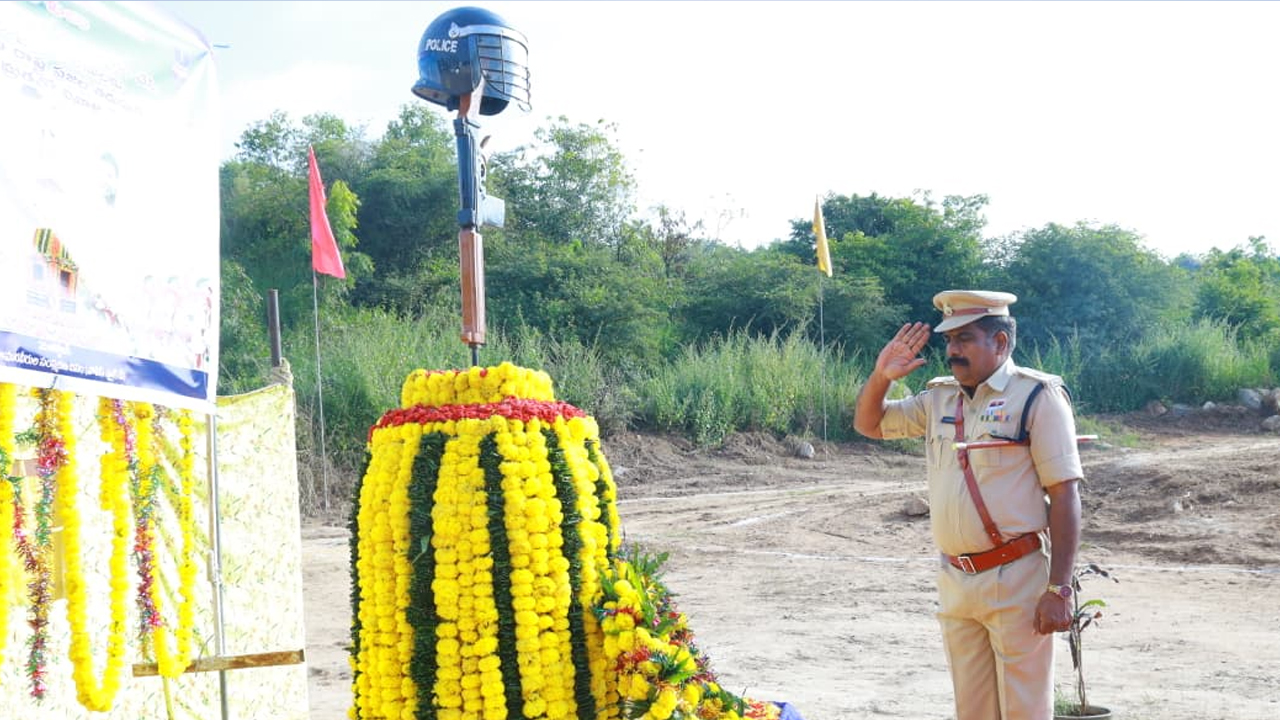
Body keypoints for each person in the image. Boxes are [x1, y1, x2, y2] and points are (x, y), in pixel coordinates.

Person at [853, 290, 1083, 720]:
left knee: (1025, 711)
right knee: (972, 710)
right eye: (948, 340)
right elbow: (869, 424)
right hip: (956, 578)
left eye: (965, 339)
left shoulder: (1037, 396)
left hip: (1016, 578)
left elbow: (1066, 494)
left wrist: (1059, 589)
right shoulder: (941, 398)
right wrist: (882, 376)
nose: (953, 351)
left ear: (1000, 342)